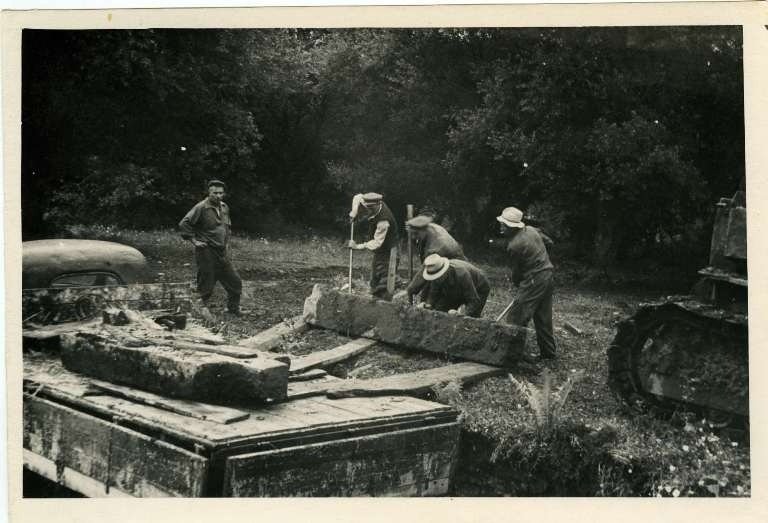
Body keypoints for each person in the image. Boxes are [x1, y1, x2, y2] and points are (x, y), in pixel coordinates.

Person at [496, 206, 556, 359]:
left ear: (513, 227)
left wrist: (520, 286)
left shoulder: (514, 245)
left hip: (534, 279)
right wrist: (541, 258)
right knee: (543, 315)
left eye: (505, 225)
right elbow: (549, 242)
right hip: (548, 273)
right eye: (501, 223)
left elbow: (517, 272)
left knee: (517, 314)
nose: (501, 227)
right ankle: (548, 353)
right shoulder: (531, 230)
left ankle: (512, 353)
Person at [179, 179, 242, 316]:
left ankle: (233, 310)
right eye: (215, 193)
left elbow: (226, 228)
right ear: (209, 192)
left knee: (235, 282)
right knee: (206, 285)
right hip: (206, 251)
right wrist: (194, 241)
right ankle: (197, 312)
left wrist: (226, 244)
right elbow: (184, 223)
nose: (218, 196)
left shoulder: (224, 207)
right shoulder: (201, 207)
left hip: (221, 251)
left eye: (221, 193)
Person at [401, 214, 467, 302]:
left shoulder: (436, 247)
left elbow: (425, 270)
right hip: (444, 263)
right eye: (412, 233)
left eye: (415, 234)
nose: (413, 237)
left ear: (423, 230)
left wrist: (411, 289)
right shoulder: (430, 228)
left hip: (456, 269)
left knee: (433, 296)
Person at [347, 192, 400, 300]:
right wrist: (354, 213)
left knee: (384, 284)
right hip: (380, 251)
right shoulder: (369, 202)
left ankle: (383, 302)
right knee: (374, 278)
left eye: (371, 208)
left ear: (378, 204)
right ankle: (374, 298)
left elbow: (377, 243)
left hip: (390, 252)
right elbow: (357, 197)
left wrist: (357, 246)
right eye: (367, 207)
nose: (368, 210)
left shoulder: (383, 221)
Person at [407, 254, 490, 318]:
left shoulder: (461, 274)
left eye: (437, 276)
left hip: (479, 287)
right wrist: (426, 305)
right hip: (454, 288)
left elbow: (474, 301)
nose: (436, 279)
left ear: (444, 272)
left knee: (471, 319)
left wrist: (461, 314)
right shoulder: (436, 273)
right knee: (440, 311)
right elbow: (433, 293)